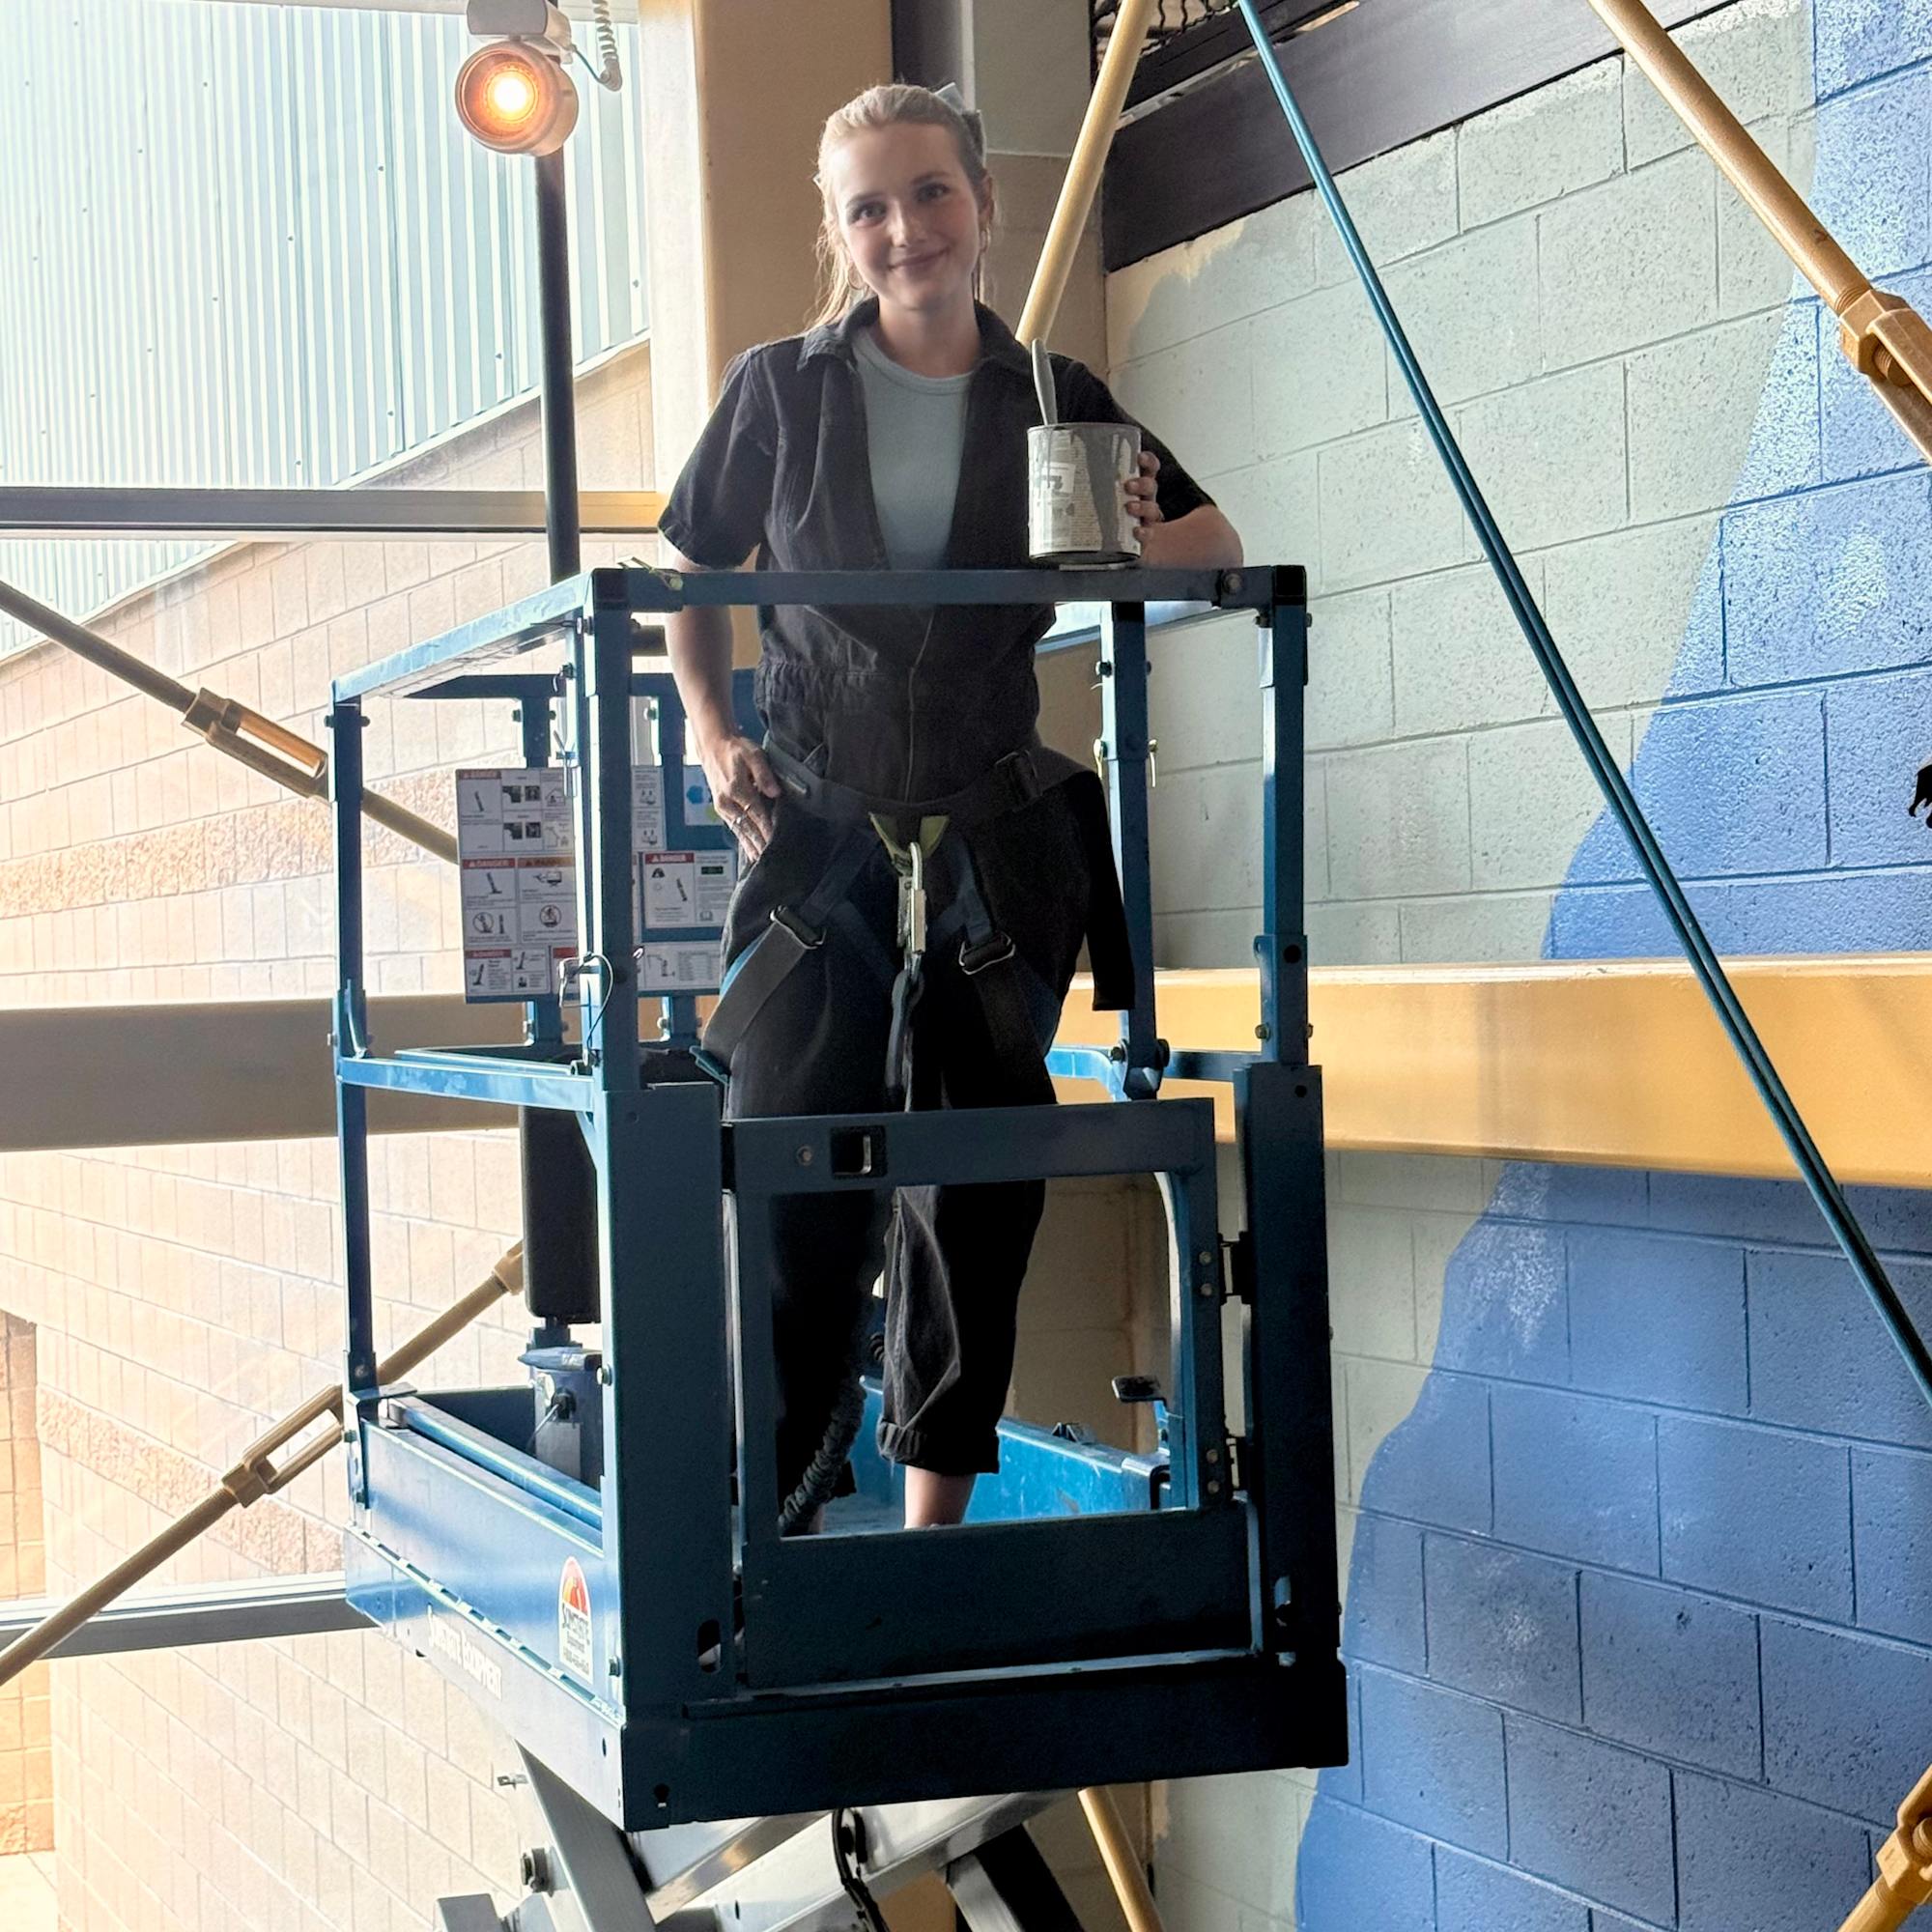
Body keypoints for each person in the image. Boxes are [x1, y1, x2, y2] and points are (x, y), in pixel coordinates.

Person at [659, 81, 1241, 1534]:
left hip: (994, 840)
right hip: (817, 841)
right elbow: (691, 573)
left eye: (930, 193)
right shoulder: (778, 392)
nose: (905, 228)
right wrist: (714, 730)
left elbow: (1217, 539)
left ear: (983, 203)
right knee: (789, 1176)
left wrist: (1127, 542)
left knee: (978, 1189)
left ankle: (934, 1533)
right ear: (839, 233)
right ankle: (766, 1521)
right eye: (869, 208)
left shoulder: (1053, 397)